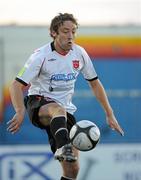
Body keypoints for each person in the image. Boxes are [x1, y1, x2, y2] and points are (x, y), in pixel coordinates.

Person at [7, 13, 124, 180]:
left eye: (73, 32)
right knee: (57, 109)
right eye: (65, 31)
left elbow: (95, 83)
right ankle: (63, 146)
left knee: (72, 169)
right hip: (39, 104)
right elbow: (15, 85)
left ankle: (64, 149)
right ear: (54, 33)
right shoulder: (41, 56)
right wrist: (19, 111)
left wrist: (110, 114)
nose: (70, 36)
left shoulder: (79, 54)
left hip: (65, 113)